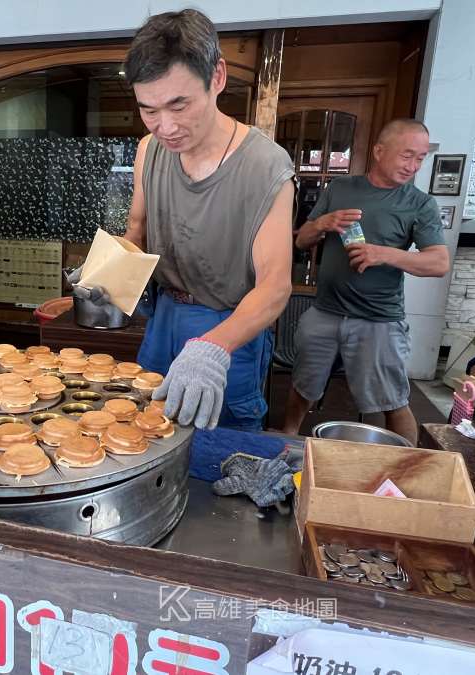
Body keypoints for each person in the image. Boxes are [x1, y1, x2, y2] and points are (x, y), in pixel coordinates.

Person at [73, 9, 295, 431]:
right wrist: (107, 273)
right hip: (165, 316)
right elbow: (136, 231)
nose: (166, 127)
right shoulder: (148, 151)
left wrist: (214, 348)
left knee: (223, 440)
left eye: (179, 104)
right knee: (148, 431)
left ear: (217, 78)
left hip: (229, 322)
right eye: (149, 110)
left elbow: (275, 285)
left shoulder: (265, 166)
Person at [281, 119, 450, 444]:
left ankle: (408, 465)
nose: (412, 166)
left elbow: (438, 263)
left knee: (393, 400)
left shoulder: (420, 204)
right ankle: (286, 440)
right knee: (302, 386)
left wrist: (383, 254)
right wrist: (323, 223)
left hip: (379, 319)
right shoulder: (340, 189)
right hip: (324, 312)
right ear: (379, 151)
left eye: (420, 158)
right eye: (406, 155)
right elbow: (302, 241)